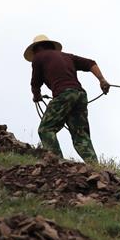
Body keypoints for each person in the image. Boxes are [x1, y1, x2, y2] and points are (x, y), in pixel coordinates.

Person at [24, 34, 110, 163]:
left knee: (46, 129)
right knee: (80, 134)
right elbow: (91, 63)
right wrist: (102, 80)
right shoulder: (67, 56)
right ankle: (94, 166)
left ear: (37, 48)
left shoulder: (39, 57)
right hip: (80, 95)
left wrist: (36, 96)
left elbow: (35, 82)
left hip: (64, 94)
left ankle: (56, 162)